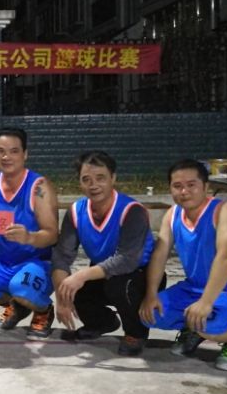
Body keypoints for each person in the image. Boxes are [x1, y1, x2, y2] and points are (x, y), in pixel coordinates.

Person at [139, 160, 227, 371]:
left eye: (191, 185)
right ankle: (193, 329)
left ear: (206, 186)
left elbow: (225, 257)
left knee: (210, 325)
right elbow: (159, 255)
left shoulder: (223, 211)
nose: (184, 191)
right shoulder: (173, 215)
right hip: (193, 288)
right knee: (150, 314)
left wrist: (206, 301)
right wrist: (151, 294)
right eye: (177, 186)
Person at [51, 151, 156, 356]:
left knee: (118, 286)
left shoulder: (132, 210)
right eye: (86, 179)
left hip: (141, 274)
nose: (94, 185)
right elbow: (62, 256)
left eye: (101, 178)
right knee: (74, 288)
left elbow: (127, 260)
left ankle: (136, 333)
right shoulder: (76, 211)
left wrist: (81, 275)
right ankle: (102, 322)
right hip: (103, 272)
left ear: (113, 178)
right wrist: (62, 298)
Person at [0, 127, 58, 337]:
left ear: (25, 154)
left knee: (22, 288)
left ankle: (43, 309)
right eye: (0, 151)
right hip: (4, 261)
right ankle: (18, 305)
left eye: (14, 151)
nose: (6, 157)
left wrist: (29, 237)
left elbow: (53, 234)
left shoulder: (39, 187)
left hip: (38, 262)